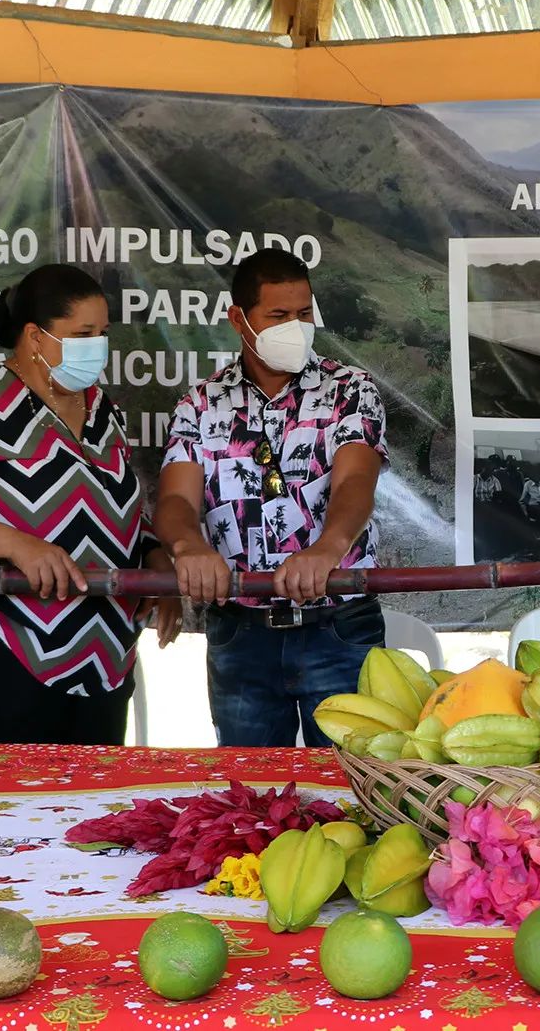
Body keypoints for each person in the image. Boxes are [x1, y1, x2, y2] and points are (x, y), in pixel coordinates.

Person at [0, 266, 175, 744]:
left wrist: (154, 555)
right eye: (82, 334)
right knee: (5, 812)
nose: (97, 346)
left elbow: (113, 507)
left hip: (103, 657)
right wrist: (18, 545)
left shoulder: (103, 408)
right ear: (34, 337)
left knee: (93, 812)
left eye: (102, 333)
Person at [154, 248, 386, 748]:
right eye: (278, 316)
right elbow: (175, 499)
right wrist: (188, 547)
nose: (295, 327)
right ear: (239, 319)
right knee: (252, 798)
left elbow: (355, 482)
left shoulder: (350, 389)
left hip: (339, 626)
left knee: (352, 789)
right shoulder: (200, 402)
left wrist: (328, 549)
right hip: (241, 634)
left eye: (304, 313)